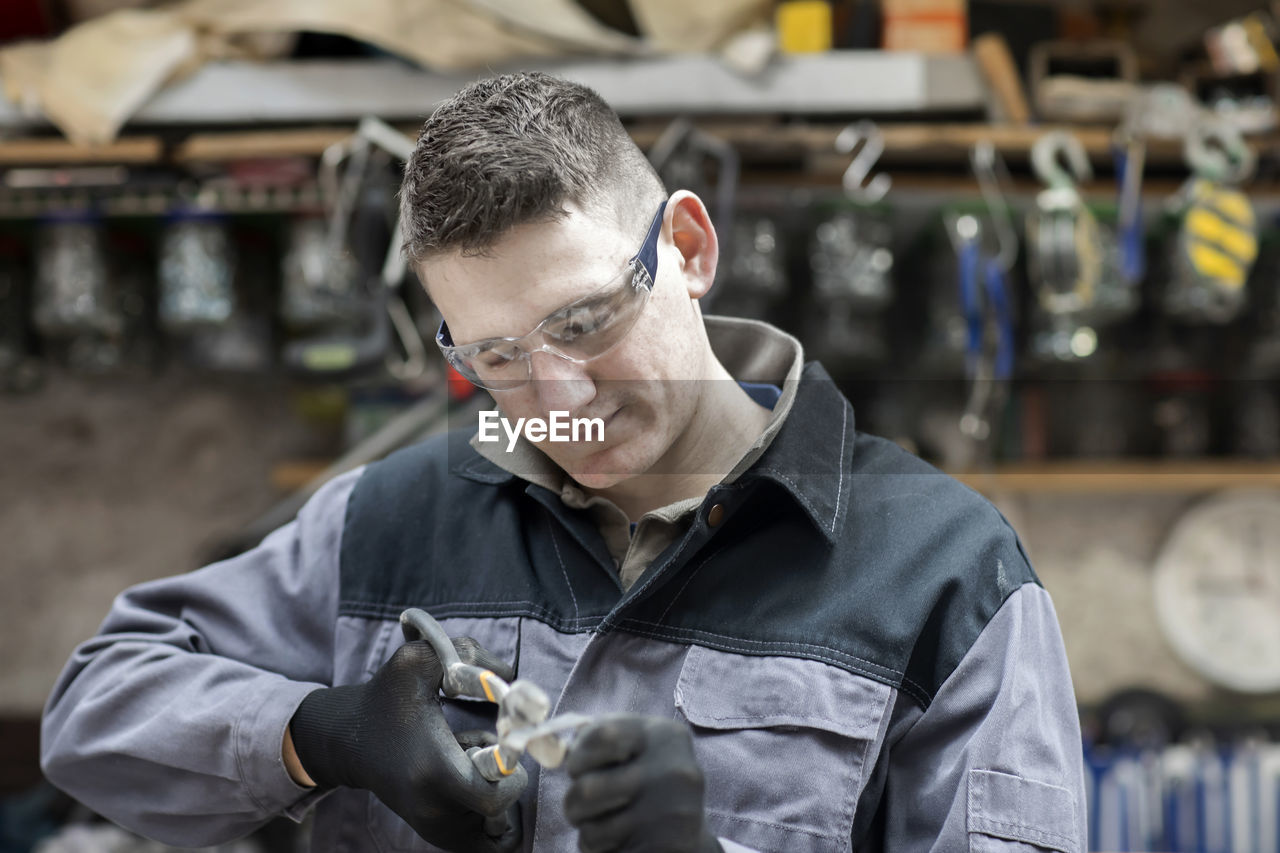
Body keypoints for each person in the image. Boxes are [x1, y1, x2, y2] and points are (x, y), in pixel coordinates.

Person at [42, 72, 1086, 853]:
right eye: (494, 355)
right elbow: (97, 709)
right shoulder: (387, 518)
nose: (557, 396)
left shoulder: (942, 571)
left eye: (585, 320)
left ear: (685, 247)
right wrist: (321, 733)